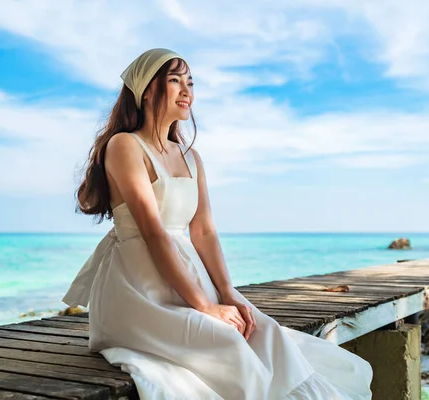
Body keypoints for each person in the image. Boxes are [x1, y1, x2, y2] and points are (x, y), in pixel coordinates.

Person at [62, 48, 373, 400]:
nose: (186, 92)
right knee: (224, 340)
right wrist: (204, 306)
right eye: (175, 81)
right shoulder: (124, 146)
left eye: (190, 83)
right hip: (137, 287)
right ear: (146, 90)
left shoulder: (191, 156)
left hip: (186, 277)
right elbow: (152, 231)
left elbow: (204, 231)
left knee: (261, 330)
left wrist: (226, 292)